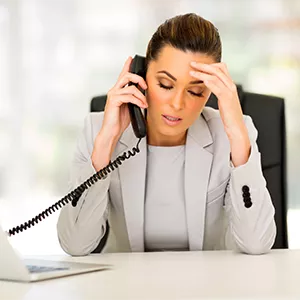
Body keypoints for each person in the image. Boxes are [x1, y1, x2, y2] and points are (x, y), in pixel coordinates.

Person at [57, 13, 276, 256]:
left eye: (194, 92)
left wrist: (237, 132)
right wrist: (106, 141)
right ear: (141, 76)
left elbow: (257, 243)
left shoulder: (230, 134)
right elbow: (74, 244)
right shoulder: (97, 131)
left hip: (210, 285)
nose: (177, 104)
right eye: (165, 85)